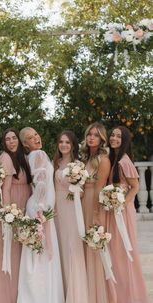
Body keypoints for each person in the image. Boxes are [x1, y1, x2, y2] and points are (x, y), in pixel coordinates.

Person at [17, 127, 64, 303]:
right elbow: (41, 183)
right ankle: (42, 296)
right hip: (40, 209)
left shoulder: (31, 156)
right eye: (30, 137)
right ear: (25, 144)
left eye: (36, 134)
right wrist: (42, 209)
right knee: (41, 254)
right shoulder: (38, 155)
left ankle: (37, 295)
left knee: (37, 254)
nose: (36, 138)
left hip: (39, 207)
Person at [107, 126, 149, 303]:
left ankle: (128, 295)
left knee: (123, 252)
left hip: (122, 211)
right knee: (115, 253)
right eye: (113, 135)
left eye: (118, 136)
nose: (114, 138)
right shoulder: (113, 159)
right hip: (113, 209)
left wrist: (122, 204)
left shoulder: (124, 160)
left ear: (124, 140)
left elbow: (136, 187)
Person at [80, 122, 116, 303]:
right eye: (89, 134)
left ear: (101, 138)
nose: (91, 137)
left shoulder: (103, 159)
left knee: (93, 245)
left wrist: (95, 213)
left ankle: (97, 295)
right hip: (83, 201)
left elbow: (100, 188)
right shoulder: (86, 157)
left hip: (94, 202)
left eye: (95, 135)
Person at [0, 128, 32, 303]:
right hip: (15, 204)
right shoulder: (6, 158)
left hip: (26, 202)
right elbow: (6, 189)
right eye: (8, 139)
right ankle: (10, 295)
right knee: (14, 250)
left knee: (24, 248)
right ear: (4, 142)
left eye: (14, 138)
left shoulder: (23, 157)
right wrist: (9, 213)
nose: (11, 141)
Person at [53, 130, 89, 303]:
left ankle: (76, 295)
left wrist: (75, 191)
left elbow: (83, 191)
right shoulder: (55, 163)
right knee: (59, 246)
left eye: (67, 142)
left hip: (70, 207)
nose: (64, 145)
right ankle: (62, 291)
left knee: (72, 247)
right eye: (61, 142)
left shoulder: (78, 164)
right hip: (56, 209)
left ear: (73, 145)